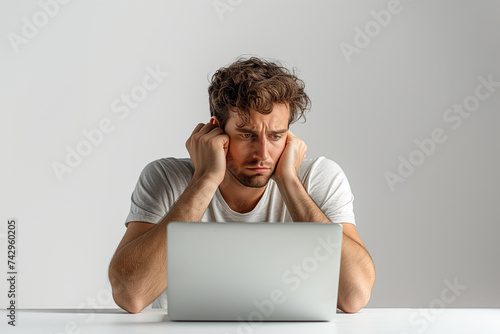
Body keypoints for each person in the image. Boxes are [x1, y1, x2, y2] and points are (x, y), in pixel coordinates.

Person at [108, 56, 375, 314]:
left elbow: (354, 296)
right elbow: (131, 295)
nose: (263, 153)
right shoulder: (166, 177)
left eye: (275, 136)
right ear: (217, 130)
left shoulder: (319, 177)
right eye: (247, 135)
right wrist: (205, 179)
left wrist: (290, 182)